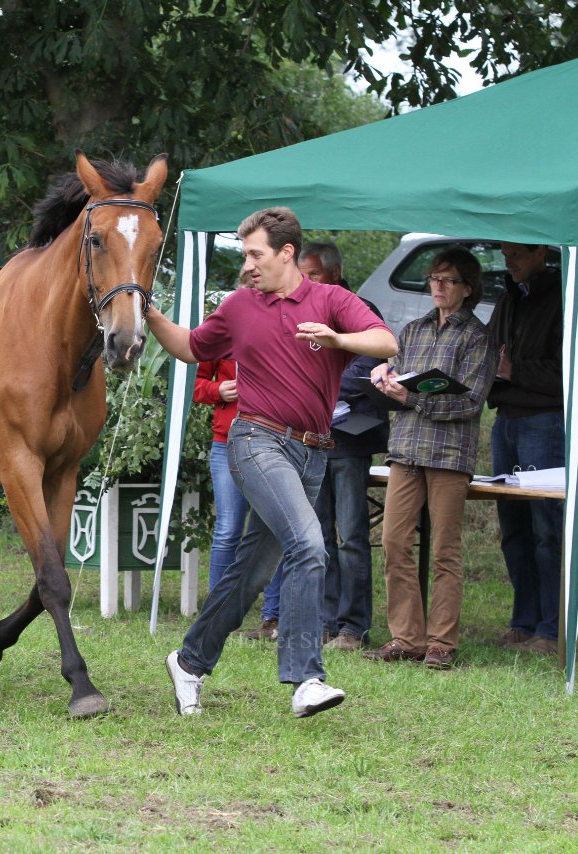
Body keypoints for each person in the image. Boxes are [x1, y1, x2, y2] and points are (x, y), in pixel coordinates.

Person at [146, 207, 396, 718]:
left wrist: (338, 340)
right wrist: (146, 314)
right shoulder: (239, 306)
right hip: (256, 440)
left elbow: (386, 341)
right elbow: (191, 348)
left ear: (287, 253)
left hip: (314, 454)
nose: (249, 264)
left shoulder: (331, 300)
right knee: (308, 545)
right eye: (245, 255)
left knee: (253, 571)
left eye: (256, 254)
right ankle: (306, 678)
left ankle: (188, 661)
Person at [365, 248, 497, 670]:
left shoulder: (477, 336)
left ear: (468, 289)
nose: (437, 285)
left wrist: (414, 399)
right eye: (434, 278)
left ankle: (442, 643)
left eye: (448, 279)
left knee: (445, 550)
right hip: (405, 448)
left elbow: (473, 402)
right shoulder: (413, 329)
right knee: (394, 542)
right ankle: (407, 638)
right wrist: (386, 378)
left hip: (448, 454)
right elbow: (400, 378)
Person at [298, 242, 389, 651]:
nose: (305, 281)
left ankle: (354, 627)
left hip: (350, 441)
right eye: (302, 274)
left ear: (334, 274)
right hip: (312, 440)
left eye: (313, 274)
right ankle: (325, 621)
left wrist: (321, 387)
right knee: (318, 536)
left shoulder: (360, 309)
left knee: (351, 535)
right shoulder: (300, 310)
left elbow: (371, 369)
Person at [487, 243, 564, 656]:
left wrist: (516, 371)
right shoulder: (510, 296)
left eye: (515, 253)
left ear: (539, 252)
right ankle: (524, 621)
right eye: (504, 253)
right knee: (513, 525)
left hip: (545, 421)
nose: (507, 261)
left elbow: (570, 371)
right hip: (506, 421)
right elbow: (490, 351)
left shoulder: (564, 297)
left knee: (546, 527)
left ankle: (551, 630)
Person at [194, 357, 247, 594]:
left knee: (272, 531)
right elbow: (193, 385)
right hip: (227, 442)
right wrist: (217, 389)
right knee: (228, 529)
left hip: (273, 441)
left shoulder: (282, 324)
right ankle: (217, 610)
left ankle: (273, 616)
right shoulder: (221, 327)